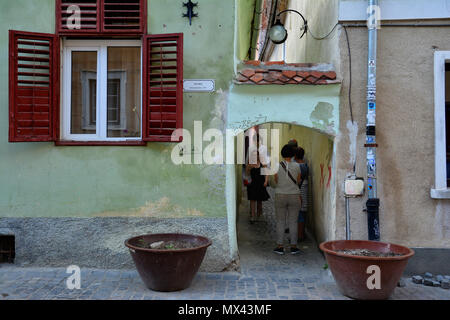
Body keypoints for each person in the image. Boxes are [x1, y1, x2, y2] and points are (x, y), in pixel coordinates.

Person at [272, 144, 302, 255]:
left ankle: (280, 246)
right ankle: (294, 247)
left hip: (280, 194)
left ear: (282, 153)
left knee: (280, 221)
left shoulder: (276, 165)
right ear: (293, 154)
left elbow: (276, 180)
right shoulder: (297, 166)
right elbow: (298, 181)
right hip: (294, 195)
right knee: (293, 221)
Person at [246, 148, 270, 224]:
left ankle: (259, 214)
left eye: (257, 154)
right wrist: (249, 168)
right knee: (252, 200)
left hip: (260, 183)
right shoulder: (250, 164)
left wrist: (266, 181)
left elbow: (266, 173)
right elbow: (247, 174)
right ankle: (252, 216)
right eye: (254, 155)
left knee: (259, 200)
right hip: (252, 183)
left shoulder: (262, 164)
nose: (255, 156)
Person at [295, 147, 309, 241]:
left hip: (299, 190)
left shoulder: (298, 166)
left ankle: (300, 235)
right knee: (302, 212)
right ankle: (302, 233)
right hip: (304, 189)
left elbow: (297, 181)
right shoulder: (305, 165)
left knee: (299, 213)